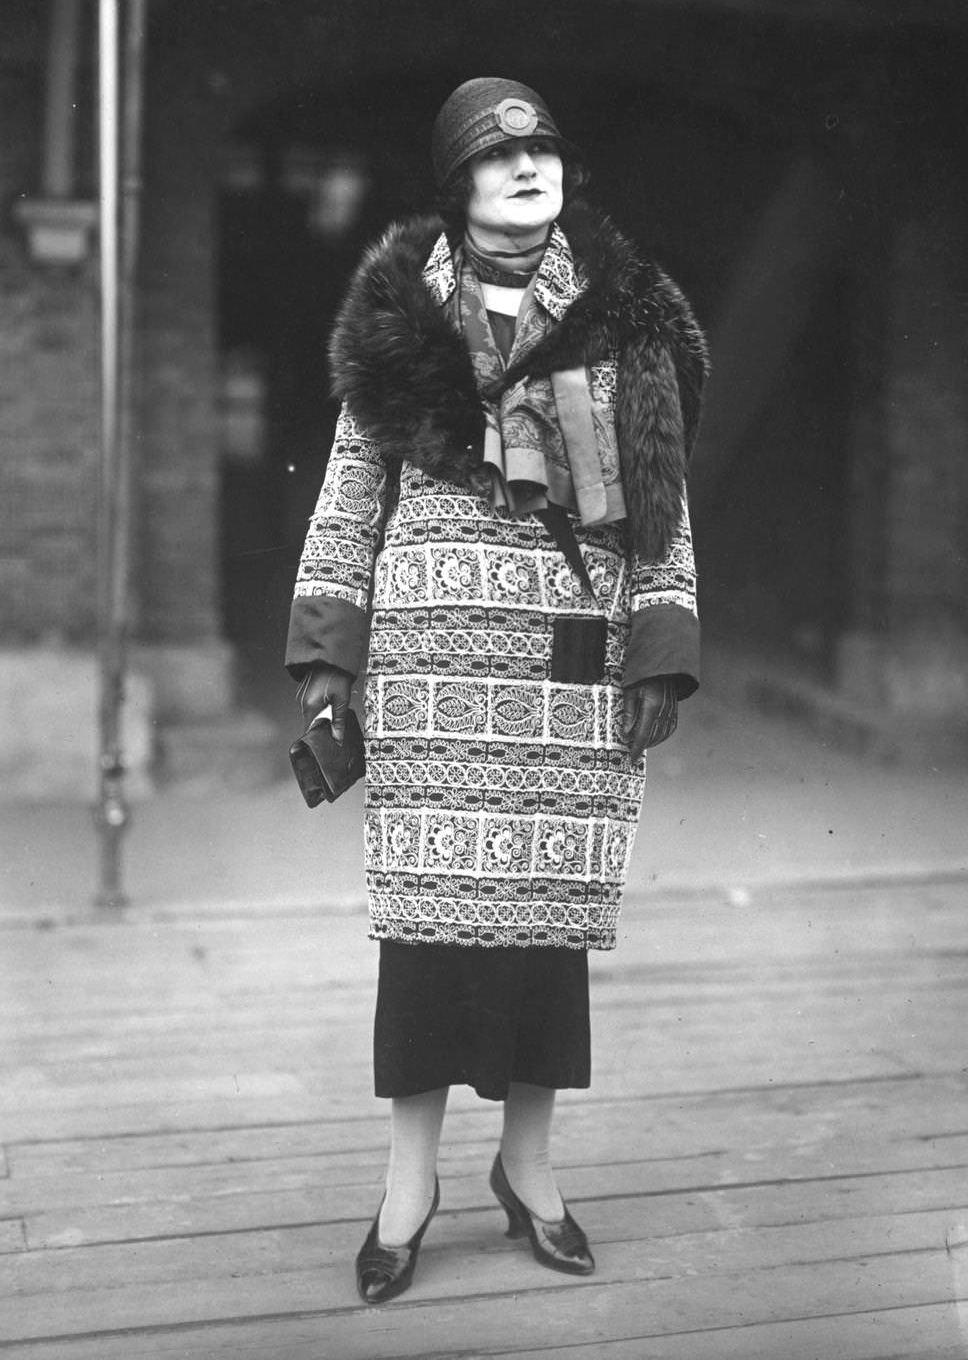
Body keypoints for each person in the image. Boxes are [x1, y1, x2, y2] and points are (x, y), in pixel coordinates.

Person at [285, 77, 708, 1304]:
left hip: (566, 661)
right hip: (427, 674)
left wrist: (661, 642)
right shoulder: (395, 323)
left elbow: (661, 499)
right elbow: (351, 491)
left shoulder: (627, 321)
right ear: (455, 184)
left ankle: (528, 1170)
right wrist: (329, 653)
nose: (528, 166)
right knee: (423, 932)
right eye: (497, 154)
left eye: (542, 148)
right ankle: (407, 1185)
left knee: (544, 928)